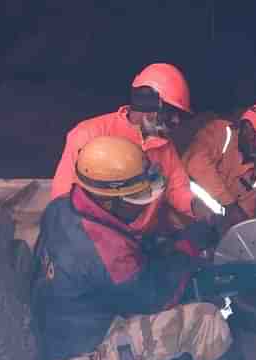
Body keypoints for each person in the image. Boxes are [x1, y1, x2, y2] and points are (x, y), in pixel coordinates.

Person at [33, 136, 256, 360]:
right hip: (83, 359)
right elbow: (155, 297)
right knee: (205, 321)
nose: (142, 206)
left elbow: (118, 261)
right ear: (109, 199)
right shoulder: (103, 250)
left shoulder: (63, 207)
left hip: (65, 326)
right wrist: (186, 249)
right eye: (136, 200)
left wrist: (168, 245)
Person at [51, 63, 213, 234]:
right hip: (97, 239)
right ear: (149, 106)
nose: (176, 121)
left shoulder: (165, 147)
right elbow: (63, 198)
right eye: (171, 113)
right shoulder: (88, 133)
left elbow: (176, 187)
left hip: (139, 241)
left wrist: (197, 208)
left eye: (178, 116)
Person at [169, 102, 256, 233]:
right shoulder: (221, 132)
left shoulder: (255, 179)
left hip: (202, 237)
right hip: (172, 220)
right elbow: (195, 164)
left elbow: (241, 222)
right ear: (247, 128)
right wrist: (230, 205)